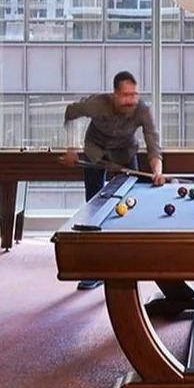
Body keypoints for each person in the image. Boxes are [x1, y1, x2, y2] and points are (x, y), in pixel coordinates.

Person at [62, 71, 164, 289]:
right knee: (94, 210)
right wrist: (71, 149)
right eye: (125, 95)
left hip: (125, 154)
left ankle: (128, 262)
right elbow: (70, 112)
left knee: (131, 204)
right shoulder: (97, 104)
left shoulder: (142, 109)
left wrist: (157, 170)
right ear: (114, 94)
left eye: (133, 94)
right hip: (95, 153)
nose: (130, 100)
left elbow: (153, 142)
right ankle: (94, 270)